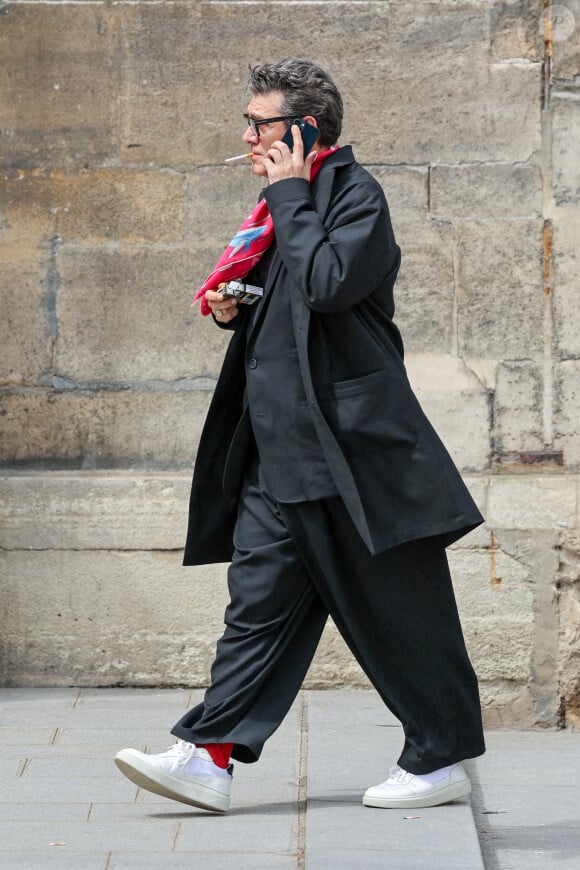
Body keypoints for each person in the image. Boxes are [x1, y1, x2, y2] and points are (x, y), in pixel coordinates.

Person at [115, 58, 485, 813]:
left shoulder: (355, 197)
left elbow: (330, 284)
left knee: (402, 609)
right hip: (277, 449)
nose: (249, 136)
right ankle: (208, 755)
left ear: (307, 129)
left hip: (351, 454)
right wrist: (239, 303)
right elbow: (295, 304)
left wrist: (288, 193)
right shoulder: (284, 203)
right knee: (256, 602)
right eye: (249, 123)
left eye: (262, 124)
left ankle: (440, 756)